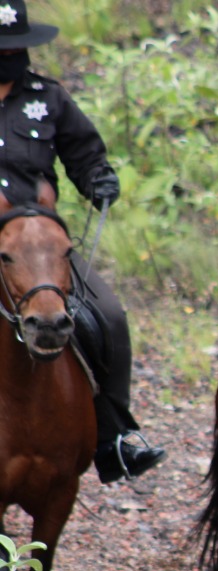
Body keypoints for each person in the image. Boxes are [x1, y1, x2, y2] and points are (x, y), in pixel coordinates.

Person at [0, 0, 164, 483]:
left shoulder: (48, 98)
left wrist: (99, 179)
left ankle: (115, 434)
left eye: (16, 47)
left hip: (40, 239)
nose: (9, 55)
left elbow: (83, 150)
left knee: (108, 312)